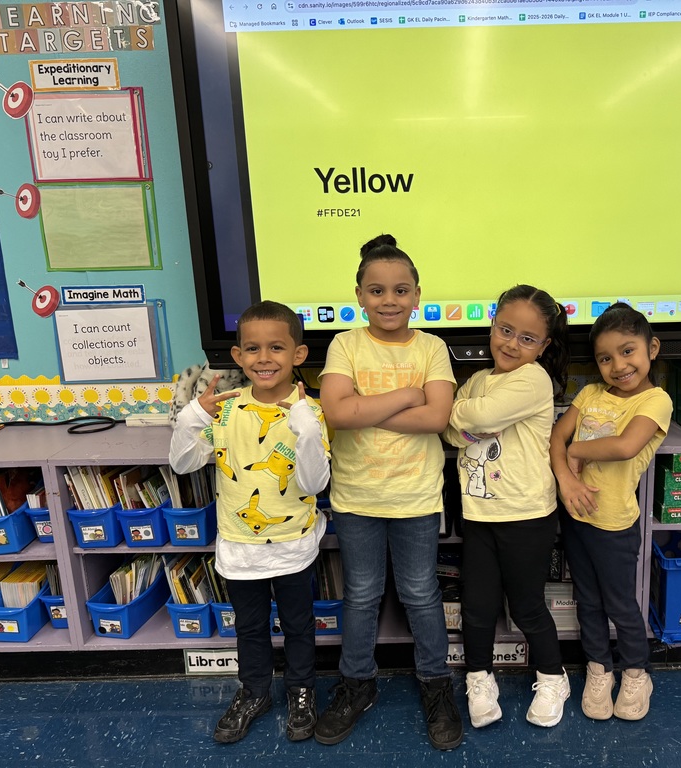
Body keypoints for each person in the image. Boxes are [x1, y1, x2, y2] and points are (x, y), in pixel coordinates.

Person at [316, 234, 462, 750]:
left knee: (421, 593)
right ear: (359, 295)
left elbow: (437, 418)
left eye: (401, 290)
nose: (389, 300)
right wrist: (406, 395)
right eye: (376, 291)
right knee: (361, 595)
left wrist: (366, 408)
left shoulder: (432, 348)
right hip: (357, 496)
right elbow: (337, 413)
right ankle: (357, 683)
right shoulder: (345, 345)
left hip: (415, 497)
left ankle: (436, 683)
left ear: (417, 295)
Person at [169, 300, 330, 744]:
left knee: (298, 625)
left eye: (276, 347)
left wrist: (307, 431)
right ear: (238, 356)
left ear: (298, 354)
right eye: (253, 349)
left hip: (293, 544)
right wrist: (193, 416)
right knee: (250, 627)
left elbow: (314, 483)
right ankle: (255, 691)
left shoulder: (311, 412)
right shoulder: (224, 408)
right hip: (239, 547)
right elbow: (182, 464)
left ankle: (301, 690)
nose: (264, 358)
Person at [442, 284, 571, 729]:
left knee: (527, 606)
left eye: (528, 338)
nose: (512, 344)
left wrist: (467, 417)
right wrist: (469, 421)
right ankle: (478, 677)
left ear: (544, 346)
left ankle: (552, 677)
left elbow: (473, 418)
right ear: (493, 325)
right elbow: (450, 432)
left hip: (527, 517)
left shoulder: (533, 379)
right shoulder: (479, 381)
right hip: (480, 516)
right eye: (506, 330)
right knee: (476, 607)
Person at [549, 302, 672, 722]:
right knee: (587, 600)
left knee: (620, 604)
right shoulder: (589, 395)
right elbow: (556, 436)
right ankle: (599, 669)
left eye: (627, 351)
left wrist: (576, 450)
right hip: (576, 517)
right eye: (605, 358)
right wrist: (566, 478)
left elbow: (624, 446)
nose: (618, 366)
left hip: (614, 524)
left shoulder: (656, 400)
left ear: (651, 348)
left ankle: (636, 672)